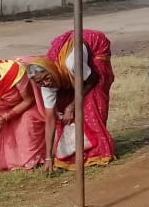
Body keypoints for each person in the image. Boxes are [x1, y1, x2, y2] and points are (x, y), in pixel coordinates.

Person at [25, 29, 115, 170]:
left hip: (94, 45)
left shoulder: (72, 63)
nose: (46, 83)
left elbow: (93, 79)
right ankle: (79, 149)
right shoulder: (45, 84)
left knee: (91, 102)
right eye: (40, 82)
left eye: (47, 78)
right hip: (68, 63)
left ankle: (99, 150)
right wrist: (49, 157)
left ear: (50, 71)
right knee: (61, 107)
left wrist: (72, 106)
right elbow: (50, 119)